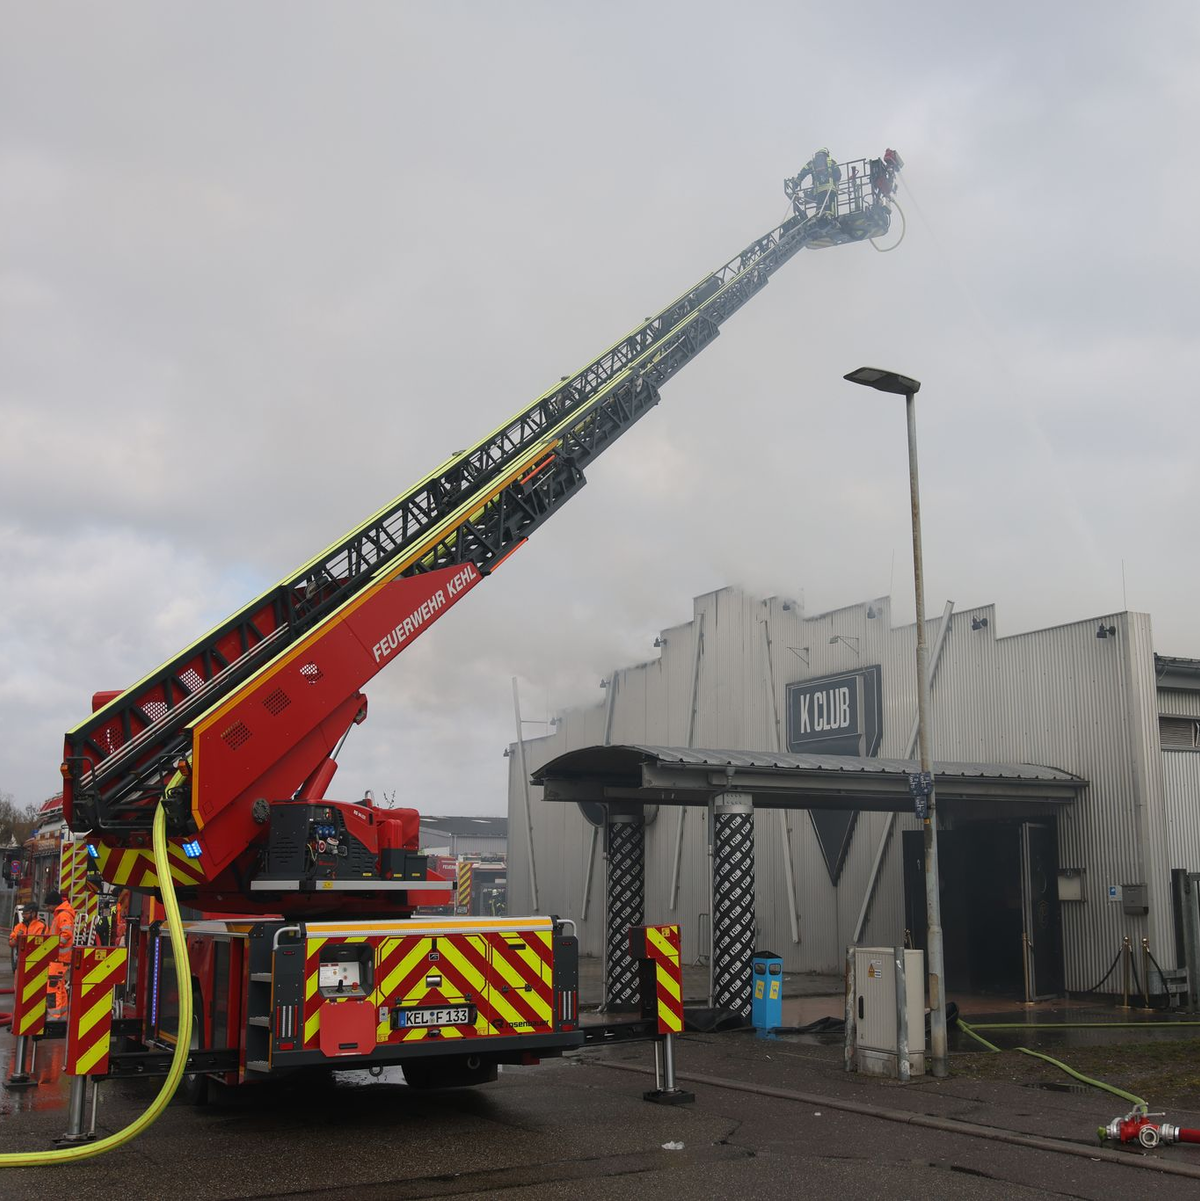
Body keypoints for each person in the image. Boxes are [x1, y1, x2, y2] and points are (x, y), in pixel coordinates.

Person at [44, 889, 76, 1018]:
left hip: (59, 958)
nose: (47, 908)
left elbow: (66, 934)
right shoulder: (61, 915)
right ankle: (62, 1015)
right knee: (60, 988)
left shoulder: (62, 915)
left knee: (53, 988)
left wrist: (54, 946)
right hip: (61, 958)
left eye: (48, 905)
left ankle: (54, 1017)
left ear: (53, 904)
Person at [790, 148, 842, 222]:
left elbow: (803, 173)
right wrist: (835, 184)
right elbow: (838, 174)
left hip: (818, 191)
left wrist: (796, 184)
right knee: (831, 207)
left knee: (820, 206)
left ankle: (819, 216)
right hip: (830, 189)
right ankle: (831, 218)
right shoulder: (831, 161)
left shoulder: (812, 162)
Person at [8, 904, 48, 972]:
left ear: (33, 914)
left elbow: (41, 945)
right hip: (22, 960)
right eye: (23, 913)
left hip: (36, 961)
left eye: (26, 913)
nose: (23, 916)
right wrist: (18, 937)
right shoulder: (19, 926)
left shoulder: (41, 926)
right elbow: (11, 944)